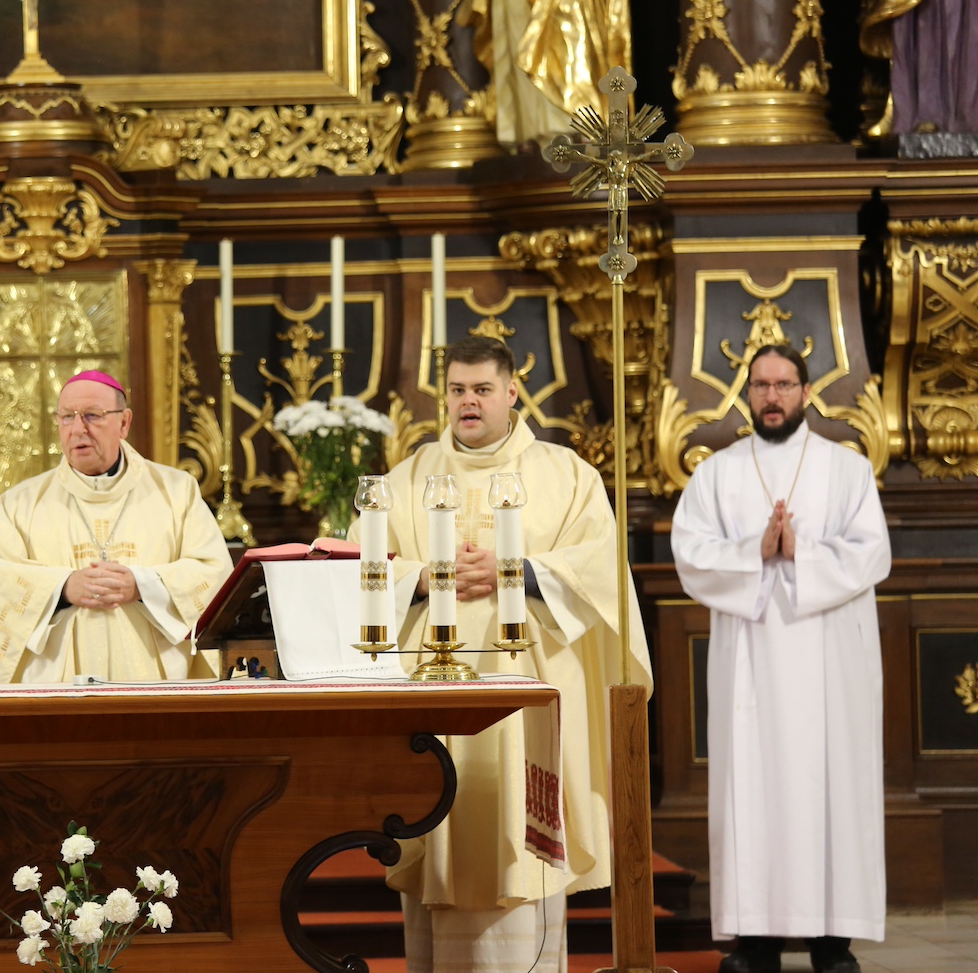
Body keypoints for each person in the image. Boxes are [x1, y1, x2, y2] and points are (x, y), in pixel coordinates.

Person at [372, 335, 651, 973]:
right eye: (457, 390)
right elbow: (365, 569)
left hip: (528, 695)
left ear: (511, 392)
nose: (468, 403)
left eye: (482, 390)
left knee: (523, 847)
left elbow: (602, 569)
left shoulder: (566, 475)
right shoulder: (406, 478)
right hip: (432, 693)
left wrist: (518, 572)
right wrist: (424, 577)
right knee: (440, 826)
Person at [671, 345, 890, 973]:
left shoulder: (847, 470)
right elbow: (692, 554)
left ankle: (832, 941)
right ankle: (756, 940)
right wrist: (754, 550)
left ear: (806, 391)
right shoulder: (717, 474)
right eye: (762, 385)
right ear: (747, 392)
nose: (772, 397)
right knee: (753, 789)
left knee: (834, 789)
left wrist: (801, 553)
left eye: (784, 385)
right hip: (751, 660)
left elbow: (872, 554)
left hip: (831, 663)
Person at [0, 370, 232, 684]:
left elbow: (213, 572)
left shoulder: (176, 491)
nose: (78, 429)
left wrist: (142, 585)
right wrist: (62, 588)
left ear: (124, 423)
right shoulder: (19, 504)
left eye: (93, 415)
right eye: (67, 417)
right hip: (57, 682)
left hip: (153, 679)